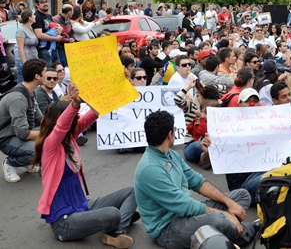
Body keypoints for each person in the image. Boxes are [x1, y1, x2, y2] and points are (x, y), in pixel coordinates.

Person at [32, 84, 137, 249]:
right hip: (64, 221)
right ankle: (120, 221)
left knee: (133, 191)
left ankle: (117, 229)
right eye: (74, 119)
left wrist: (114, 84)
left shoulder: (70, 137)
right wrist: (74, 105)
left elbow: (93, 114)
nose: (77, 122)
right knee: (113, 213)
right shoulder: (50, 146)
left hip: (82, 207)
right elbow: (62, 127)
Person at [134, 110, 258, 249]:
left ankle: (221, 238)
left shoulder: (171, 155)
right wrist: (225, 215)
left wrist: (229, 203)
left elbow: (197, 181)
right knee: (219, 219)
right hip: (168, 228)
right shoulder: (150, 169)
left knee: (242, 195)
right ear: (170, 134)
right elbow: (183, 205)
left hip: (187, 214)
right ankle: (251, 230)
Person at [0, 59, 45, 182]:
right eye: (45, 72)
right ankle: (10, 164)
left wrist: (58, 127)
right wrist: (48, 134)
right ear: (37, 76)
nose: (48, 75)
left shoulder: (31, 92)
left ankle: (28, 162)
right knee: (43, 149)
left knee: (54, 136)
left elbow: (40, 119)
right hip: (6, 139)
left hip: (20, 133)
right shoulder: (18, 98)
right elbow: (22, 133)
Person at [32, 0, 62, 66]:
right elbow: (39, 35)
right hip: (44, 50)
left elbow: (53, 28)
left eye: (46, 2)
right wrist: (56, 38)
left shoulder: (48, 16)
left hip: (54, 48)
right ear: (37, 5)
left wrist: (60, 28)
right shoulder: (37, 16)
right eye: (42, 2)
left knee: (57, 72)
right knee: (48, 72)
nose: (45, 4)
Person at [15, 9, 39, 83]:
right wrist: (24, 62)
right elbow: (20, 48)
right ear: (29, 18)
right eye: (33, 15)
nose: (35, 16)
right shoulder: (21, 30)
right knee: (23, 81)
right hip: (25, 60)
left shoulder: (30, 28)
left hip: (33, 59)